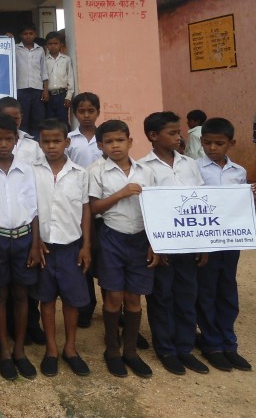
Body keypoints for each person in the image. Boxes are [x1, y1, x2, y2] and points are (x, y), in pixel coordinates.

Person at [139, 111, 208, 375]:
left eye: (179, 132)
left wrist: (203, 244)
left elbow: (199, 205)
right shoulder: (143, 168)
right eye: (172, 132)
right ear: (153, 136)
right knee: (162, 297)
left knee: (187, 296)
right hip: (163, 246)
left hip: (188, 244)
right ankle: (166, 349)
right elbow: (146, 209)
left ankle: (185, 347)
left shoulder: (190, 164)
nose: (179, 136)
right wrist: (155, 244)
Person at [88, 119, 157, 378]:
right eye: (109, 141)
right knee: (114, 296)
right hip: (111, 237)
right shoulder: (97, 171)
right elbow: (93, 209)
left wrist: (155, 244)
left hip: (140, 239)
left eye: (120, 140)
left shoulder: (145, 171)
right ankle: (112, 350)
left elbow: (155, 210)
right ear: (101, 146)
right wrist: (120, 194)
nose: (115, 146)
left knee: (134, 298)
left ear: (130, 141)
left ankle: (130, 351)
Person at [0, 113, 41, 381]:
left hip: (24, 238)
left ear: (17, 139)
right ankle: (3, 351)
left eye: (8, 139)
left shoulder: (28, 169)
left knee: (22, 295)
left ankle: (19, 350)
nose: (3, 144)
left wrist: (36, 244)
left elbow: (35, 209)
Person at [32, 119, 92, 377]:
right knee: (46, 300)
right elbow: (30, 209)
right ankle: (52, 349)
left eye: (57, 141)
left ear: (67, 142)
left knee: (71, 301)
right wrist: (35, 241)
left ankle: (70, 348)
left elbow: (85, 211)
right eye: (46, 141)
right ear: (40, 143)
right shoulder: (32, 171)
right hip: (44, 247)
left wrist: (86, 245)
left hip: (71, 246)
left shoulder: (80, 173)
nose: (51, 146)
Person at [195, 117, 252, 372]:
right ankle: (212, 344)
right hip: (206, 243)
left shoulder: (238, 172)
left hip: (230, 241)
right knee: (206, 291)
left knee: (228, 290)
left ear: (232, 143)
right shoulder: (194, 169)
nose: (213, 148)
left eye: (219, 143)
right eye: (207, 143)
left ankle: (229, 343)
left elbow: (240, 207)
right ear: (201, 141)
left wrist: (248, 195)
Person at [66, 92, 103, 328]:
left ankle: (114, 308)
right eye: (82, 111)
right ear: (74, 113)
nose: (86, 115)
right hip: (77, 207)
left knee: (105, 261)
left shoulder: (106, 137)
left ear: (98, 112)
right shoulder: (69, 140)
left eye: (91, 111)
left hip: (103, 209)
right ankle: (86, 306)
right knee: (83, 261)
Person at [14, 24, 49, 139]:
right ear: (20, 35)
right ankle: (23, 140)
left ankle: (36, 141)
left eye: (31, 33)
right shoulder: (14, 48)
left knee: (38, 117)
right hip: (21, 88)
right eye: (25, 34)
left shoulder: (40, 50)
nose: (28, 36)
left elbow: (44, 70)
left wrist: (45, 90)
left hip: (37, 89)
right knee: (23, 117)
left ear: (35, 34)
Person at [0, 96, 45, 165]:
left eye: (16, 118)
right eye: (7, 118)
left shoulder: (34, 145)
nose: (12, 122)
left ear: (21, 117)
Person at [43, 32, 74, 126]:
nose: (53, 46)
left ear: (61, 44)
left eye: (56, 43)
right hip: (49, 96)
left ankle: (64, 139)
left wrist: (69, 96)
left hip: (62, 95)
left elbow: (70, 78)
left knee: (63, 120)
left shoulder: (66, 59)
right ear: (46, 45)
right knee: (50, 120)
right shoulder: (44, 60)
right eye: (50, 44)